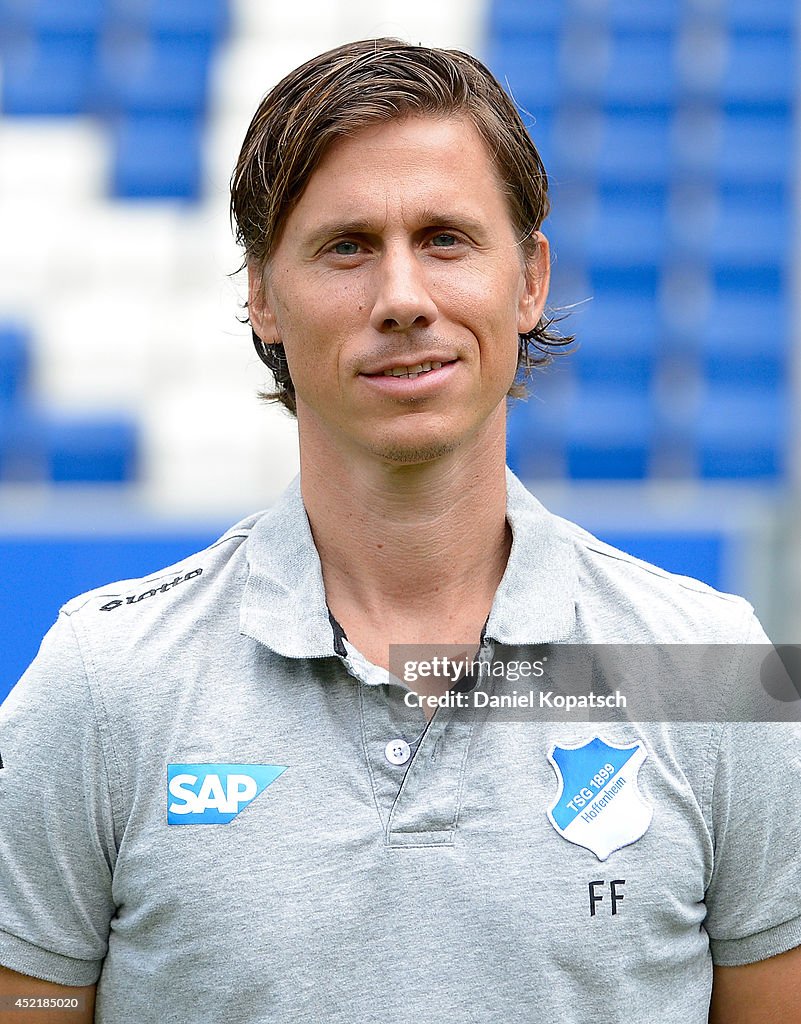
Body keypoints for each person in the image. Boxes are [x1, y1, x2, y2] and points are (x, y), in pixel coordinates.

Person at [1, 38, 799, 1024]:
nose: (402, 299)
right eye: (346, 246)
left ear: (530, 279)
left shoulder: (714, 669)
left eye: (445, 238)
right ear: (261, 295)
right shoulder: (103, 682)